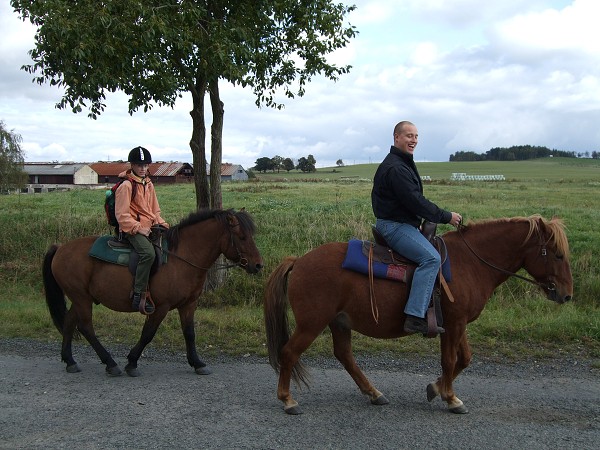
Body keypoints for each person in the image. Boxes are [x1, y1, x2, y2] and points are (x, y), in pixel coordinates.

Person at [371, 121, 462, 336]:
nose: (414, 140)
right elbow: (415, 200)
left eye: (416, 136)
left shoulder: (402, 162)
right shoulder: (396, 168)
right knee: (431, 259)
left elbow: (408, 201)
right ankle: (414, 317)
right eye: (409, 136)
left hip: (401, 222)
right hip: (394, 226)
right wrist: (446, 216)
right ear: (396, 137)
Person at [115, 146, 169, 314]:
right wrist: (139, 229)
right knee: (148, 253)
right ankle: (138, 294)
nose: (143, 168)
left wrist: (162, 224)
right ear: (132, 165)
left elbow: (154, 209)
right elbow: (122, 215)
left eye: (145, 165)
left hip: (148, 226)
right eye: (139, 165)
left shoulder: (148, 184)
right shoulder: (126, 186)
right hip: (131, 229)